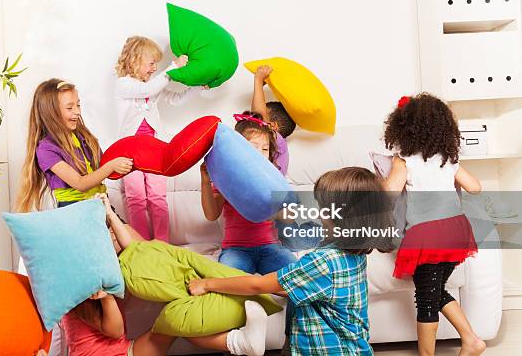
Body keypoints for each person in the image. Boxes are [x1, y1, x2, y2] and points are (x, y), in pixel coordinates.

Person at [190, 167, 395, 355]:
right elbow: (305, 286)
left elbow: (256, 284)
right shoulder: (355, 253)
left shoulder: (323, 262)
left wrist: (207, 283)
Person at [61, 193, 271, 356]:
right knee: (175, 321)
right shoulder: (81, 283)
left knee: (179, 319)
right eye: (109, 235)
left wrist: (110, 213)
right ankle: (240, 343)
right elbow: (114, 331)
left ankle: (241, 340)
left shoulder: (108, 266)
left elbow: (137, 248)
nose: (114, 237)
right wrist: (106, 298)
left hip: (126, 348)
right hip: (118, 354)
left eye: (113, 233)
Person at [382, 93, 485, 356]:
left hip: (427, 234)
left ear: (403, 127)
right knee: (434, 291)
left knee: (426, 300)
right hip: (455, 230)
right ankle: (472, 340)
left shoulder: (404, 159)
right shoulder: (447, 159)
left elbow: (389, 193)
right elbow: (475, 187)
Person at [115, 36, 204, 242]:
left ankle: (162, 243)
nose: (155, 68)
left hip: (154, 149)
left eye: (157, 63)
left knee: (157, 197)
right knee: (136, 198)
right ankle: (141, 243)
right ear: (135, 60)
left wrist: (198, 88)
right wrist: (172, 68)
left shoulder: (153, 85)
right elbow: (147, 90)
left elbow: (175, 99)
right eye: (151, 62)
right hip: (129, 151)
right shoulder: (124, 84)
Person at [200, 111, 297, 275]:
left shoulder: (273, 179)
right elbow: (211, 215)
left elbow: (291, 217)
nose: (260, 154)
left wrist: (273, 212)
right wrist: (205, 181)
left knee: (298, 277)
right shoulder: (227, 178)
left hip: (272, 247)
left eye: (265, 149)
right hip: (236, 249)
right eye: (253, 147)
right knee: (226, 282)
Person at [16, 78, 133, 212]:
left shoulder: (82, 135)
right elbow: (80, 183)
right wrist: (112, 165)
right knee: (122, 233)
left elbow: (102, 165)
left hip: (100, 204)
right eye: (70, 107)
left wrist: (128, 160)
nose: (77, 112)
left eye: (78, 105)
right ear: (51, 112)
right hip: (74, 211)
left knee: (131, 234)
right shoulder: (45, 149)